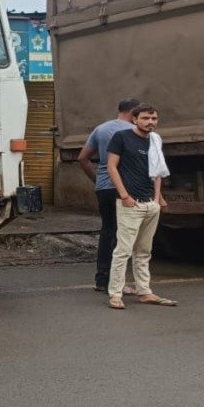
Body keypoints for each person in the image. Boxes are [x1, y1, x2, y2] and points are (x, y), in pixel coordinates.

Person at [105, 104, 177, 309]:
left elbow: (157, 171)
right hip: (130, 203)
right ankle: (115, 294)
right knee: (123, 251)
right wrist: (124, 195)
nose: (150, 122)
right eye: (145, 118)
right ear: (134, 119)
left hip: (149, 204)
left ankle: (144, 291)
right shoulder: (121, 137)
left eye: (154, 118)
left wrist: (157, 198)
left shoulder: (155, 140)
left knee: (144, 251)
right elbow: (112, 166)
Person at [78, 98, 138, 292]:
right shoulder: (131, 131)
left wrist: (97, 180)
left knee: (108, 231)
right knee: (125, 234)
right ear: (133, 113)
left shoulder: (101, 129)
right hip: (124, 188)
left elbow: (83, 158)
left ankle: (102, 280)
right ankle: (117, 282)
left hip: (103, 187)